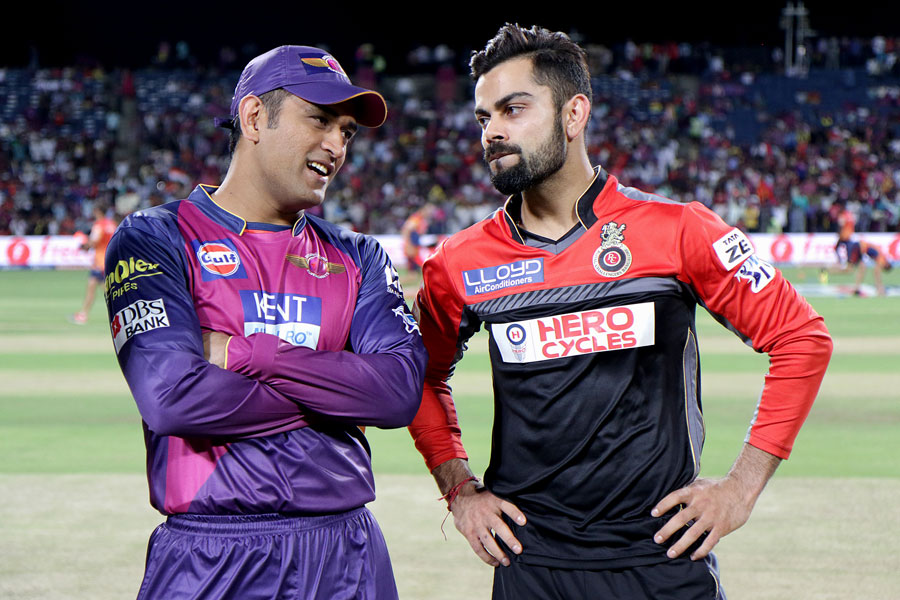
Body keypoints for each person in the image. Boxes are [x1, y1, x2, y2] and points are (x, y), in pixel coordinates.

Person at [408, 24, 832, 599]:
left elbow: (801, 337)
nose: (493, 132)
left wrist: (740, 489)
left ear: (574, 113)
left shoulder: (680, 231)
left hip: (663, 560)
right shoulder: (459, 263)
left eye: (513, 109)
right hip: (532, 567)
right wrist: (459, 490)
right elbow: (418, 377)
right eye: (484, 118)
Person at [104, 45, 426, 599]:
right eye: (320, 120)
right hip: (211, 556)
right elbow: (172, 397)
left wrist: (252, 355)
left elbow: (397, 394)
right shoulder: (155, 238)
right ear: (254, 118)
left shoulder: (360, 255)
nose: (337, 145)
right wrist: (338, 391)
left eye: (347, 131)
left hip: (346, 555)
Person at [69, 203, 117, 324]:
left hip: (100, 262)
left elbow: (94, 242)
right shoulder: (112, 224)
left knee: (108, 292)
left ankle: (84, 315)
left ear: (97, 211)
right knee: (96, 287)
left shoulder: (99, 225)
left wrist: (84, 246)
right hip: (110, 259)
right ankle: (83, 314)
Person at [833, 202, 892, 296]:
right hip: (860, 247)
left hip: (861, 247)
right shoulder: (882, 260)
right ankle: (830, 271)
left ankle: (856, 288)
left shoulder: (881, 256)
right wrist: (880, 287)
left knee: (862, 267)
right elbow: (876, 272)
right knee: (850, 269)